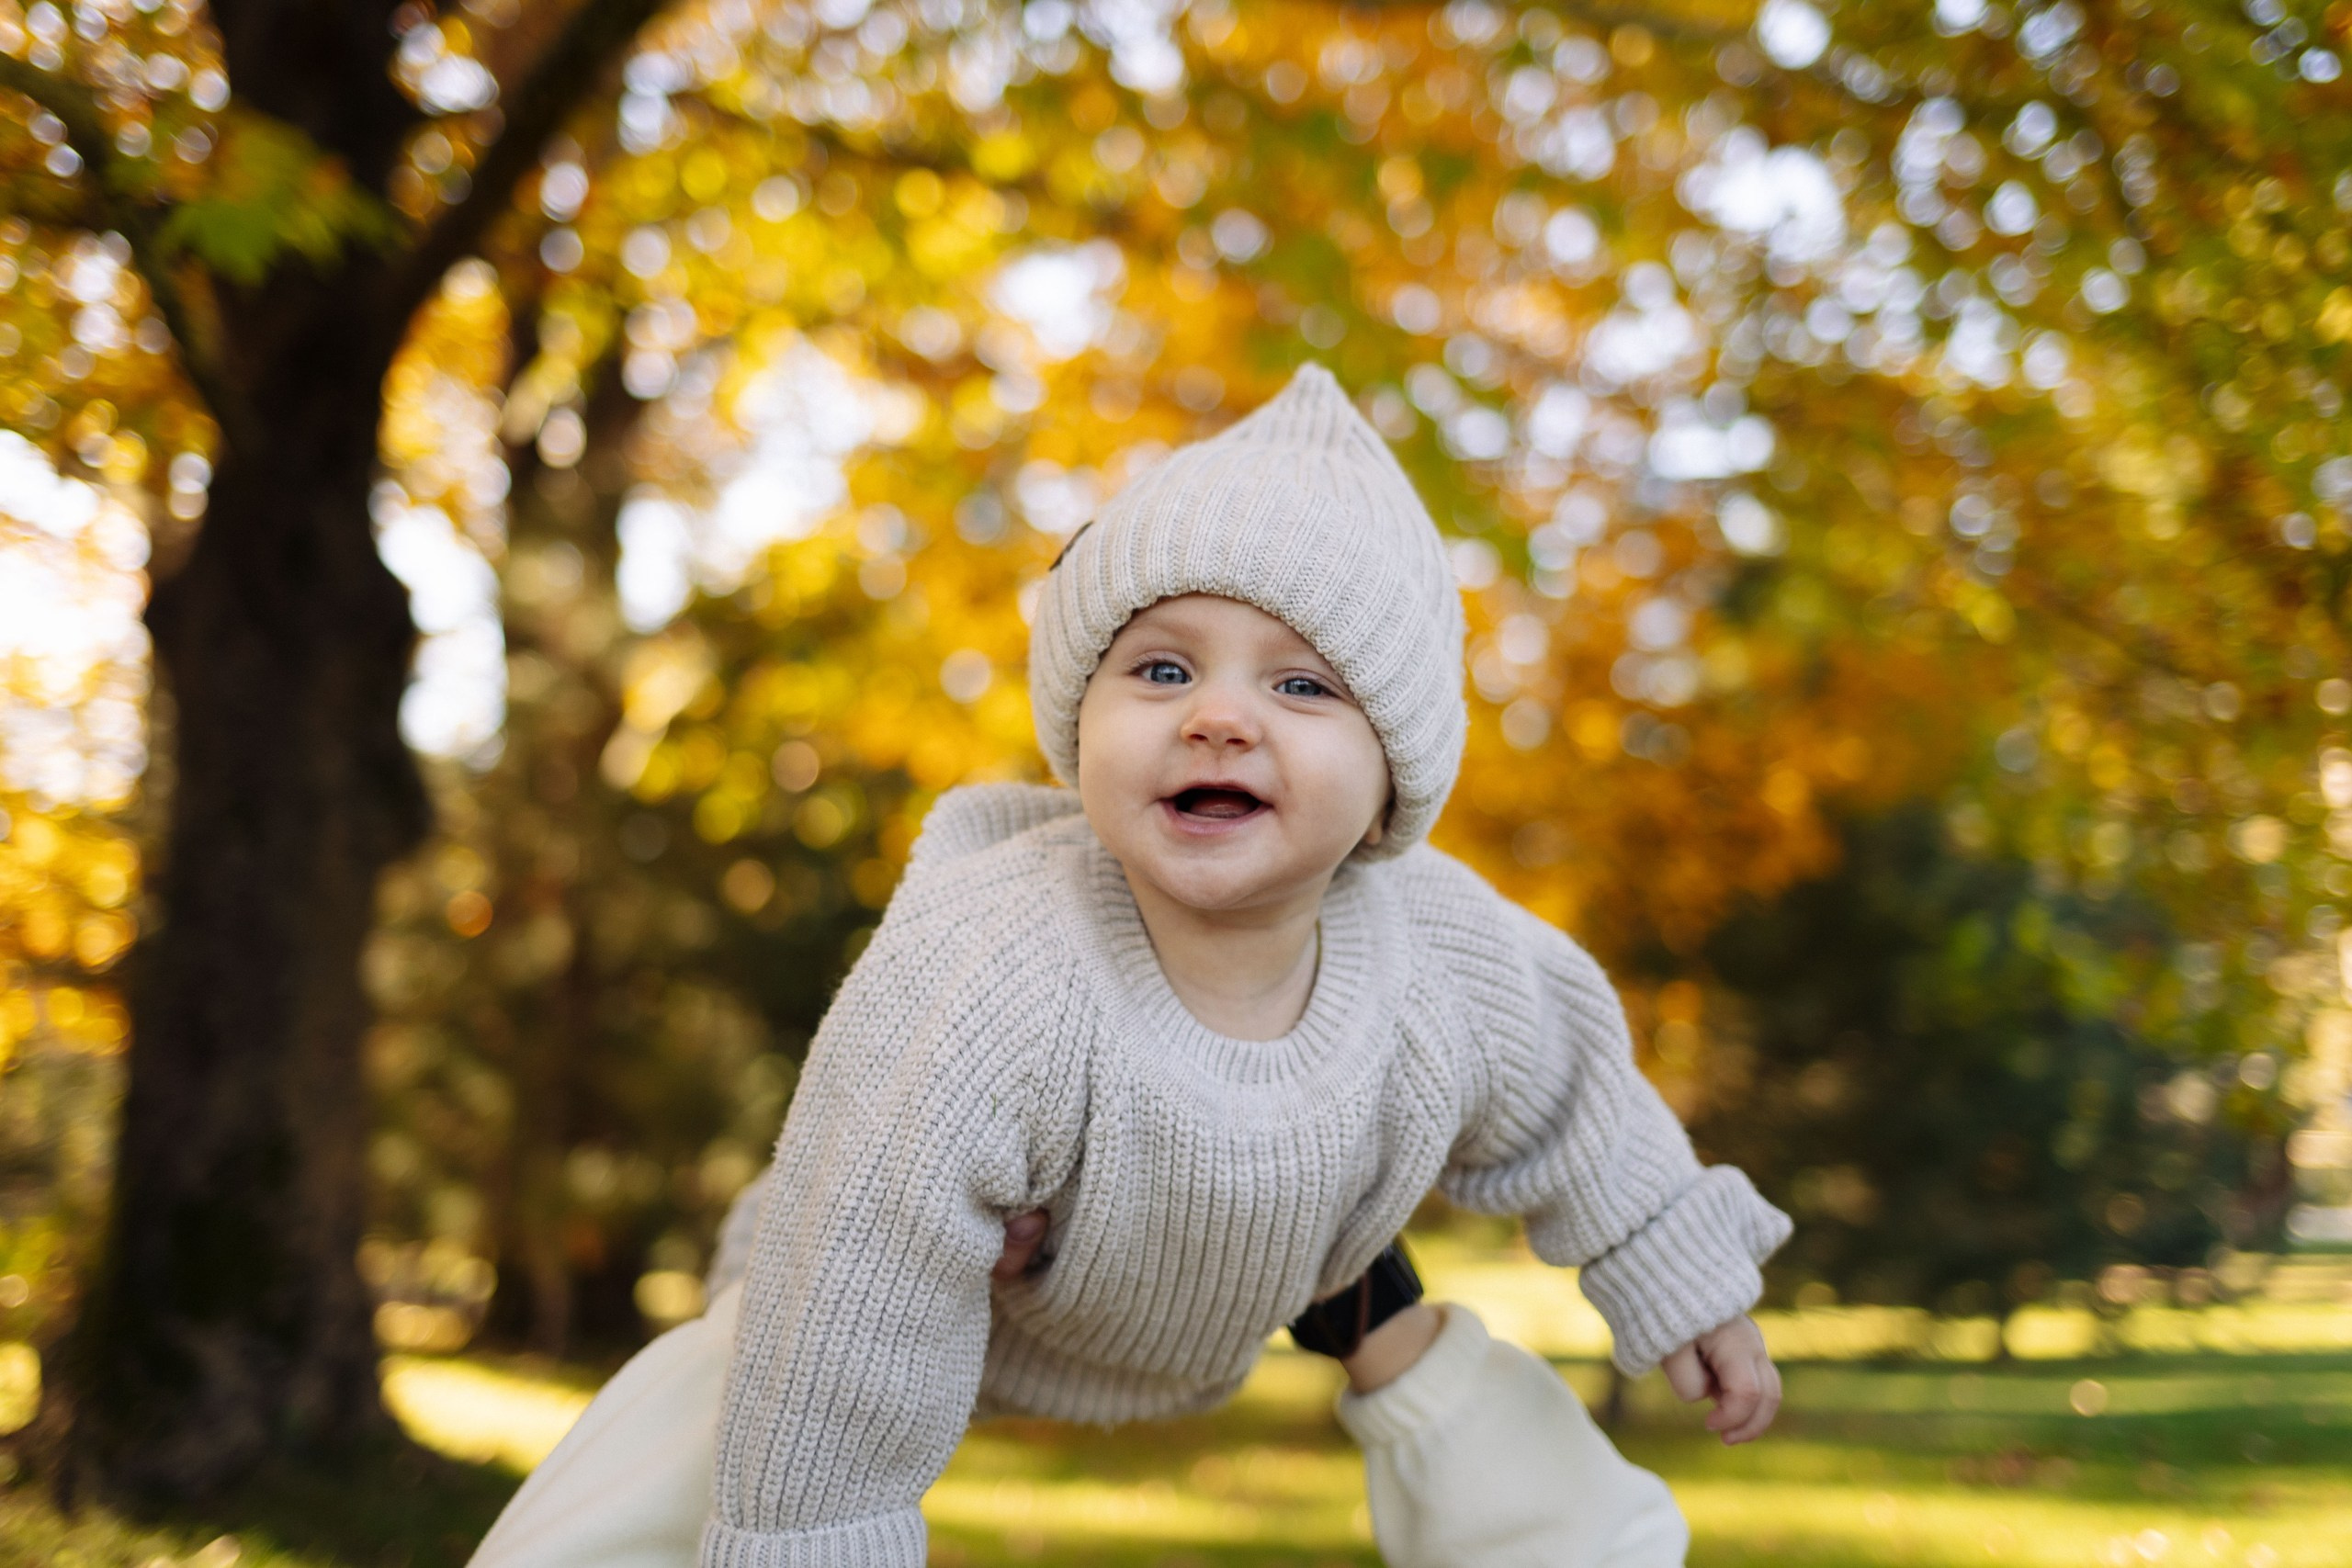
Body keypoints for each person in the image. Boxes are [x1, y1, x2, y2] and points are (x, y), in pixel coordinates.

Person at [467, 364, 1790, 1568]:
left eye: (1304, 688)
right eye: (1162, 668)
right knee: (737, 1398)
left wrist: (1683, 1280)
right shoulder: (990, 976)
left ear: (1395, 778)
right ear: (1079, 722)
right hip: (921, 1275)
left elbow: (1579, 1100)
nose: (1218, 715)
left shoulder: (1447, 953)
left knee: (1421, 1349)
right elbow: (852, 1306)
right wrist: (812, 1542)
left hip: (1298, 1268)